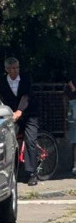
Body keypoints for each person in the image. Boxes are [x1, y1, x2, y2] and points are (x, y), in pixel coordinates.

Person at [0, 57, 40, 186]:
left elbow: (26, 96)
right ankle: (10, 172)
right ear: (7, 69)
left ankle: (32, 173)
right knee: (8, 141)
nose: (15, 70)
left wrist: (19, 111)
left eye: (17, 67)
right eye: (12, 68)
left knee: (30, 140)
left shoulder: (25, 78)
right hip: (11, 115)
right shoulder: (2, 81)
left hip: (29, 113)